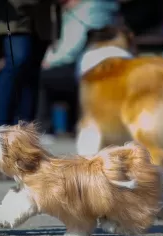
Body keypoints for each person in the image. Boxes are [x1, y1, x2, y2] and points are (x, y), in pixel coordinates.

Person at [36, 0, 120, 138]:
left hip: (88, 72)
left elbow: (71, 47)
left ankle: (45, 129)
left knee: (42, 77)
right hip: (106, 70)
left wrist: (48, 61)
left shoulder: (85, 10)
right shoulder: (106, 7)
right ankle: (71, 126)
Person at [0, 0, 62, 133]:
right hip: (13, 15)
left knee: (32, 72)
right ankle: (0, 129)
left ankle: (25, 133)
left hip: (41, 16)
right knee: (17, 62)